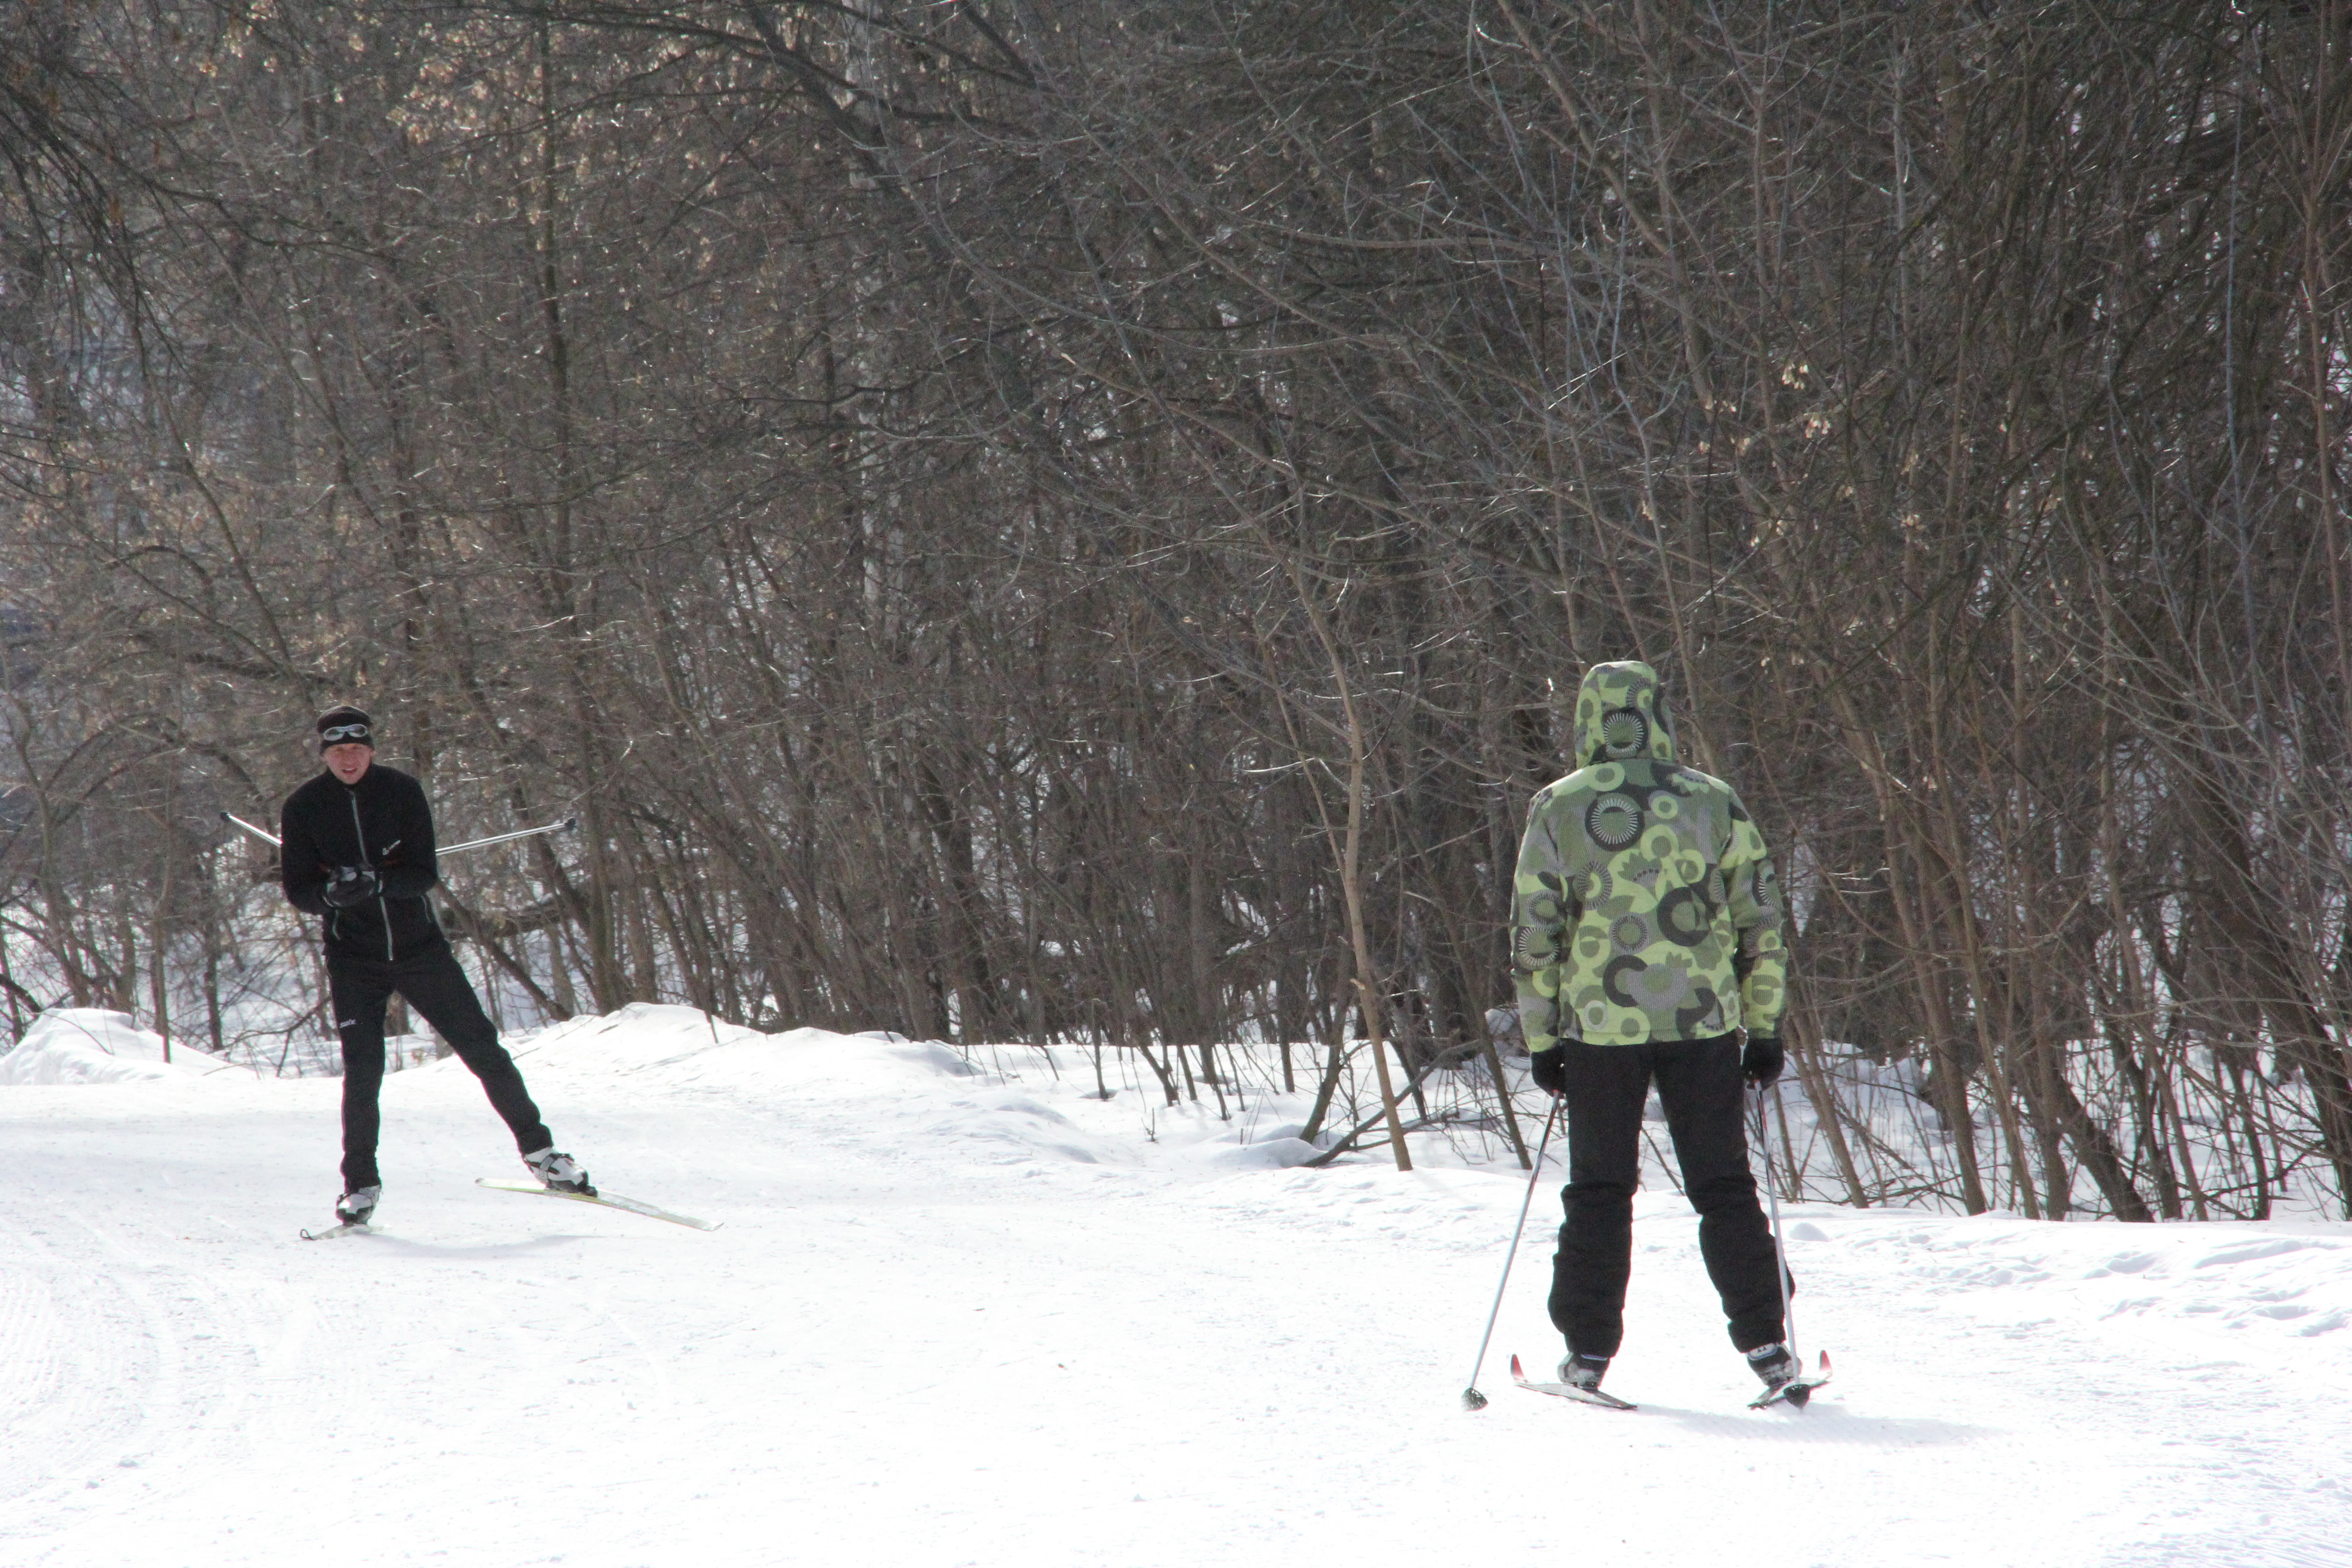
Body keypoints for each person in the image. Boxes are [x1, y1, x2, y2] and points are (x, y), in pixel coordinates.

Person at [1509, 660, 1795, 1395]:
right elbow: (1759, 920)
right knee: (1723, 1185)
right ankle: (1769, 1344)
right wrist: (1763, 1028)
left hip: (1600, 1030)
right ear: (1659, 715)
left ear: (1587, 719)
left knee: (1599, 1189)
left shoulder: (1558, 806)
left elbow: (1532, 933)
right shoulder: (1711, 801)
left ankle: (1586, 1355)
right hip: (1702, 1022)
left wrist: (1541, 1037)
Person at [280, 704, 590, 1227]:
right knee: (363, 1072)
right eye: (338, 752)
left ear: (372, 750)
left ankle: (543, 1155)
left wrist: (379, 882)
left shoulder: (402, 792)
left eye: (357, 750)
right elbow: (298, 891)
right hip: (355, 959)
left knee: (482, 1048)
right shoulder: (304, 807)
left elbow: (424, 873)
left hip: (420, 950)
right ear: (325, 757)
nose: (349, 759)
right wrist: (333, 894)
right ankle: (359, 1185)